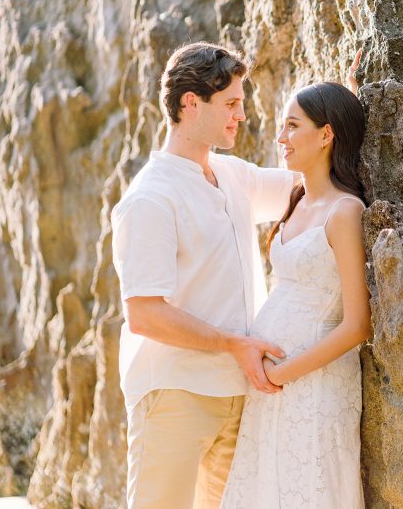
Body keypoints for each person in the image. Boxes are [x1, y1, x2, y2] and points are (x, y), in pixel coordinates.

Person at [111, 42, 295, 508]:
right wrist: (234, 344)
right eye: (231, 103)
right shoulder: (148, 200)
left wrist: (346, 104)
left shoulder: (232, 176)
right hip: (174, 396)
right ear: (191, 103)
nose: (241, 114)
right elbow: (145, 316)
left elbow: (304, 183)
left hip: (238, 393)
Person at [221, 81, 371, 508]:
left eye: (291, 126)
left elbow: (359, 323)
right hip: (270, 385)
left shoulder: (345, 212)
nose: (280, 138)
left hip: (315, 383)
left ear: (326, 135)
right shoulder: (296, 197)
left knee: (311, 489)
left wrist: (282, 373)